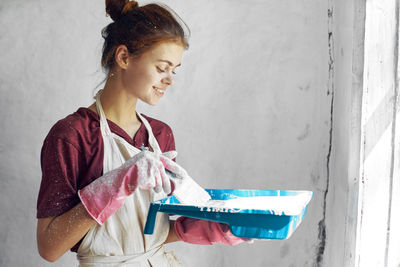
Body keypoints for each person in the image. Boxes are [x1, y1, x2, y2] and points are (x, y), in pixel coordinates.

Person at [36, 1, 249, 266]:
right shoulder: (72, 136)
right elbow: (48, 247)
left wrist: (214, 229)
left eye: (174, 70)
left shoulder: (160, 136)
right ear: (124, 57)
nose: (170, 79)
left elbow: (148, 232)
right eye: (162, 68)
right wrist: (115, 184)